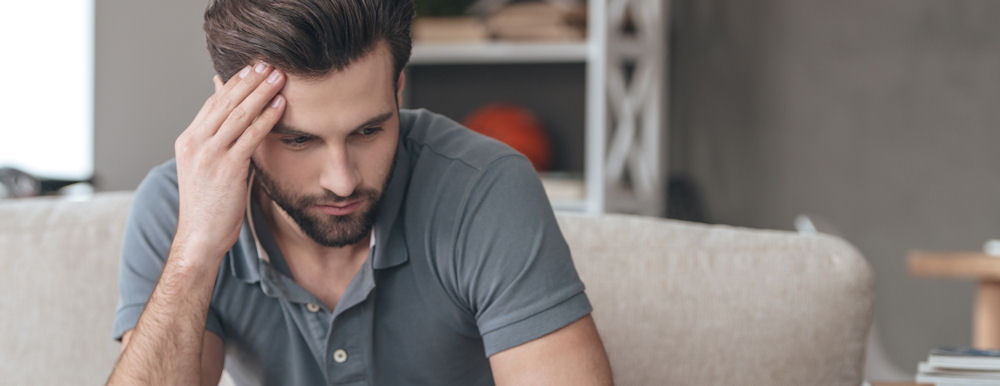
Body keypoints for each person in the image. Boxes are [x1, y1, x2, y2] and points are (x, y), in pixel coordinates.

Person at [107, 0, 613, 384]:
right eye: (299, 140)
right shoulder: (177, 207)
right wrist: (195, 251)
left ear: (398, 91)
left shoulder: (483, 189)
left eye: (368, 131)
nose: (343, 180)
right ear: (231, 110)